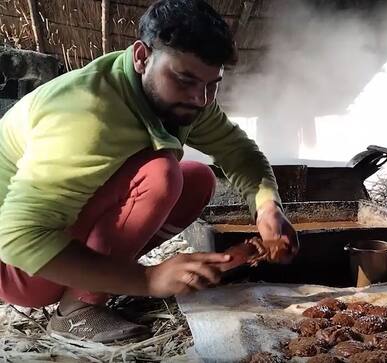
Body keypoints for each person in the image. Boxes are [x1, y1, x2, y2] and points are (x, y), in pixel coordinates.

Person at [0, 0, 298, 342]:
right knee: (161, 175)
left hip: (47, 243)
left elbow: (238, 151)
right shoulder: (88, 116)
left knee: (196, 180)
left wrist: (268, 208)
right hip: (18, 267)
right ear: (142, 57)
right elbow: (18, 239)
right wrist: (146, 280)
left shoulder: (185, 99)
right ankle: (76, 311)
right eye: (185, 79)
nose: (201, 99)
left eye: (212, 83)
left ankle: (91, 284)